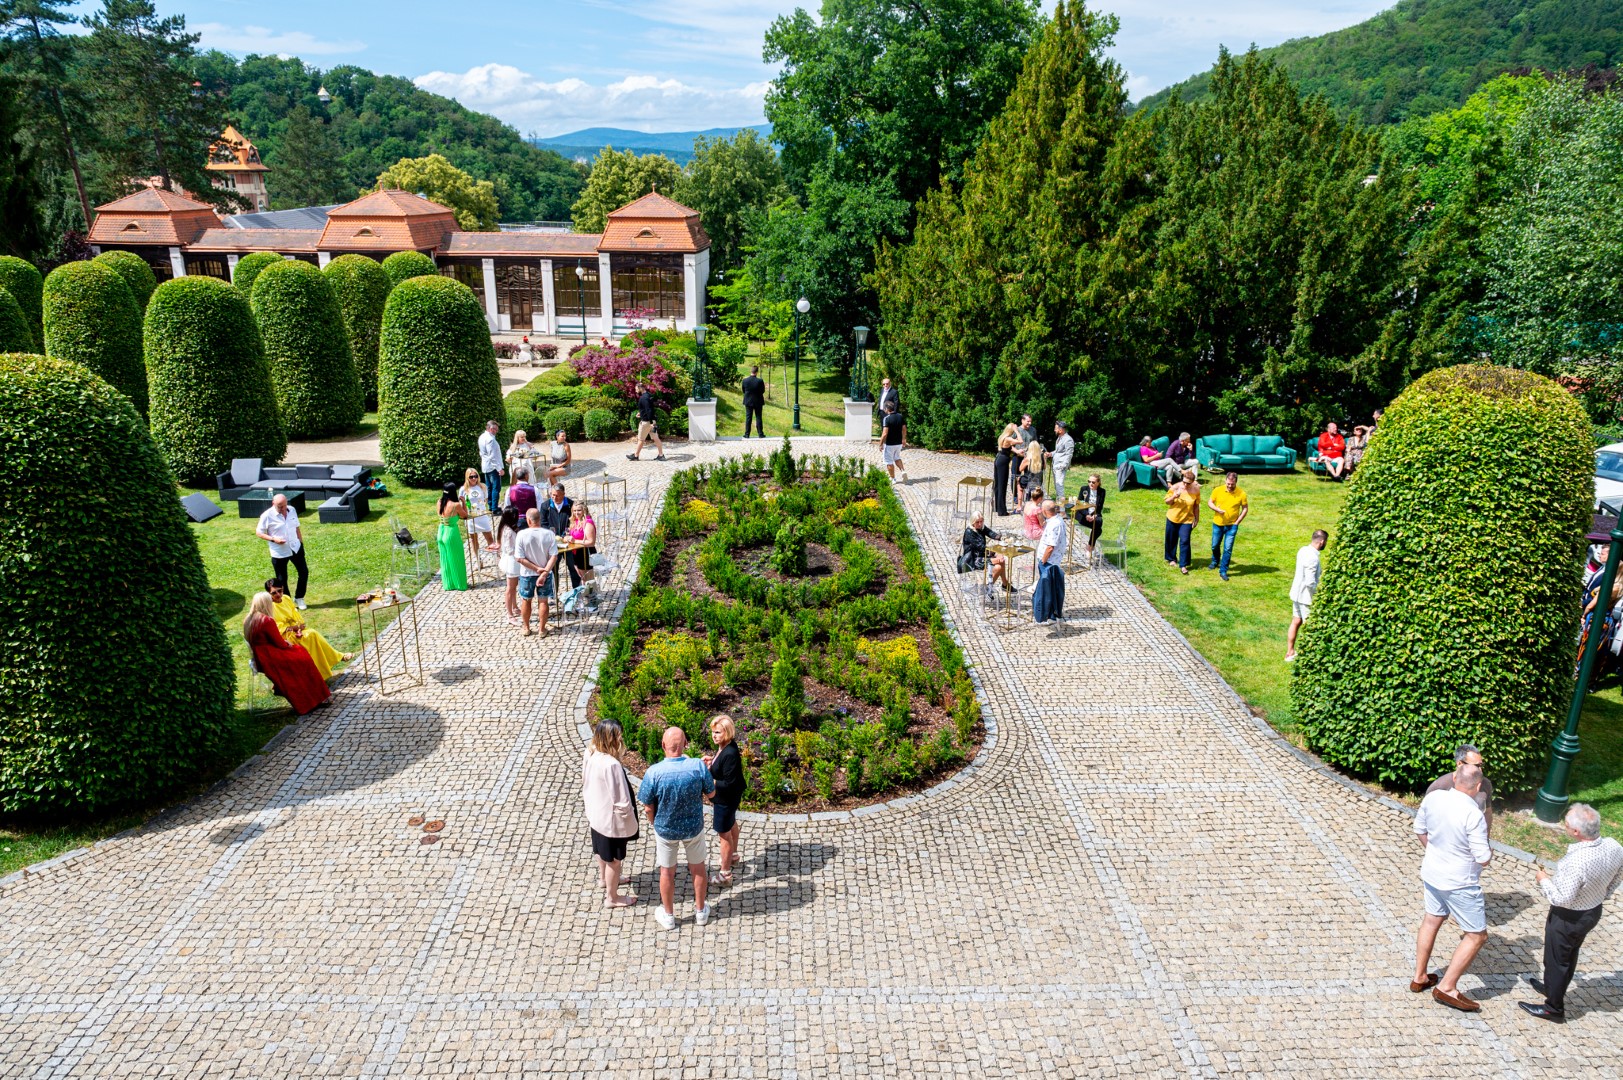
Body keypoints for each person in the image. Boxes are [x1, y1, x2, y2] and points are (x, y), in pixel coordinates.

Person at [1520, 803, 1623, 1022]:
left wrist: (1543, 880)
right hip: (1592, 912)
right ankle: (1552, 987)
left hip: (1568, 917)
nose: (1564, 825)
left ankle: (1553, 1008)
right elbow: (1619, 874)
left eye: (1566, 824)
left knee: (1557, 960)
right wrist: (1602, 895)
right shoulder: (1614, 846)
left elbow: (1561, 899)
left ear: (1576, 832)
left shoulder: (1578, 862)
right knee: (1568, 955)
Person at [1412, 763, 1492, 1012]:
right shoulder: (1473, 814)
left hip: (1433, 872)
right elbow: (1483, 858)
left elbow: (1420, 830)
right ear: (1478, 786)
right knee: (1477, 935)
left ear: (1455, 778)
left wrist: (1437, 852)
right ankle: (1447, 987)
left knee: (1432, 920)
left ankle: (1420, 976)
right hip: (1460, 882)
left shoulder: (1434, 797)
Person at [639, 726, 715, 930]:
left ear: (663, 745)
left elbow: (647, 805)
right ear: (685, 745)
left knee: (667, 872)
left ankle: (669, 916)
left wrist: (654, 822)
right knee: (698, 868)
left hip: (666, 829)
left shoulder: (654, 772)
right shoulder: (697, 766)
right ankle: (700, 912)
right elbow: (712, 794)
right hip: (693, 827)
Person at [582, 720, 640, 908]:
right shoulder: (611, 765)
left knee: (601, 852)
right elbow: (621, 799)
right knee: (615, 861)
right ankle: (612, 898)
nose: (622, 739)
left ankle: (604, 880)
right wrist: (629, 818)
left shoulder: (590, 751)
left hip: (596, 814)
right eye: (619, 736)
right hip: (611, 821)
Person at [242, 591, 329, 715]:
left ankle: (311, 696)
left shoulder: (248, 619)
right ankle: (313, 698)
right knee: (303, 657)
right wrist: (287, 643)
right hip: (271, 657)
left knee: (300, 656)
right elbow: (280, 643)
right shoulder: (266, 620)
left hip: (260, 656)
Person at [265, 579, 349, 680]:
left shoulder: (286, 598)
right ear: (269, 594)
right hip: (285, 636)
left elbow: (295, 614)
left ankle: (326, 666)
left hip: (296, 630)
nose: (278, 594)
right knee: (312, 635)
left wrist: (299, 626)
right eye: (274, 593)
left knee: (312, 636)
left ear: (283, 588)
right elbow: (277, 628)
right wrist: (294, 628)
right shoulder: (270, 607)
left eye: (280, 591)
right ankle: (335, 658)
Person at [704, 714, 745, 885]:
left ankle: (725, 874)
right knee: (731, 823)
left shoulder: (730, 753)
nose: (714, 735)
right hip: (731, 798)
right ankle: (734, 856)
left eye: (718, 732)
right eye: (713, 732)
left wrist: (707, 778)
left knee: (724, 834)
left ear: (727, 732)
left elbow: (728, 783)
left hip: (726, 799)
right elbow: (721, 768)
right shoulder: (724, 746)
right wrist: (711, 763)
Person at [1426, 744, 1495, 837]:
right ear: (1460, 764)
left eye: (1481, 765)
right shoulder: (1441, 785)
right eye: (1476, 766)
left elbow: (1487, 813)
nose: (1480, 770)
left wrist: (1486, 839)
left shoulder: (1485, 784)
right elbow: (1426, 818)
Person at [255, 493, 308, 609]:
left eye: (284, 505)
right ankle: (287, 602)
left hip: (295, 547)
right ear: (273, 504)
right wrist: (274, 539)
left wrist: (301, 542)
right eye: (280, 506)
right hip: (279, 552)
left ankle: (299, 597)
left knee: (304, 572)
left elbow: (297, 527)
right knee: (282, 579)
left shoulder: (292, 510)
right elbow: (259, 532)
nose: (283, 508)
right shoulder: (267, 515)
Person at [513, 507, 558, 637]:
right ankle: (542, 629)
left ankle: (526, 627)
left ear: (528, 520)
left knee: (526, 600)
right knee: (543, 601)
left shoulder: (521, 534)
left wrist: (536, 569)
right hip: (545, 573)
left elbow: (519, 558)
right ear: (540, 519)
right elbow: (553, 556)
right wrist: (543, 572)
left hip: (527, 574)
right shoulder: (549, 534)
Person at [1285, 529, 1327, 661]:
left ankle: (1290, 652)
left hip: (1296, 593)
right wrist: (1318, 594)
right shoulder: (1313, 558)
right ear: (1322, 542)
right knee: (1309, 626)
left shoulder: (1303, 550)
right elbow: (1310, 582)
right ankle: (1308, 655)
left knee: (1296, 621)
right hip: (1306, 598)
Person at [1206, 472, 1249, 581]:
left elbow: (1245, 508)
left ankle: (1223, 570)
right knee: (1214, 545)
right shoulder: (1218, 490)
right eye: (1228, 484)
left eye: (1232, 484)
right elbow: (1210, 502)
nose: (1230, 486)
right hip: (1218, 524)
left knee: (1228, 548)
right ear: (1226, 481)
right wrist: (1216, 509)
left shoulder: (1241, 494)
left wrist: (1237, 522)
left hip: (1231, 526)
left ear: (1236, 482)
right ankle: (1215, 561)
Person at [1033, 500, 1067, 624]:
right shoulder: (1056, 520)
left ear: (1045, 511)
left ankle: (1049, 615)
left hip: (1049, 562)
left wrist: (1043, 561)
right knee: (1051, 587)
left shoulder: (1054, 525)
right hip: (1051, 561)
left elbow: (1050, 547)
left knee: (1048, 589)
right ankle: (1052, 614)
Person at [1162, 469, 1200, 574]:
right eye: (1184, 482)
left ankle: (1183, 564)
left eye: (1188, 483)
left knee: (1185, 540)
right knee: (1171, 539)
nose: (1185, 484)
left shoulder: (1196, 490)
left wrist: (1197, 518)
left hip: (1187, 519)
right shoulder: (1175, 487)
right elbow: (1167, 502)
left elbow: (1196, 506)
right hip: (1173, 517)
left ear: (1192, 482)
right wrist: (1174, 496)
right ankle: (1171, 558)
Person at [960, 512, 1009, 590]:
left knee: (1001, 561)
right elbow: (981, 547)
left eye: (981, 521)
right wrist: (994, 552)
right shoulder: (969, 532)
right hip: (974, 559)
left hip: (983, 555)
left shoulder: (981, 527)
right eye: (977, 522)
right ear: (973, 522)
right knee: (1000, 562)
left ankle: (1003, 585)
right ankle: (991, 587)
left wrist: (1000, 538)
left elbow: (990, 533)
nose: (980, 524)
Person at [567, 500, 600, 613]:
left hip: (586, 553)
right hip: (576, 553)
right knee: (582, 579)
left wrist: (574, 540)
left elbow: (591, 541)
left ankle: (593, 602)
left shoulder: (588, 522)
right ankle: (585, 601)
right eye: (575, 510)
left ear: (584, 510)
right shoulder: (575, 522)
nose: (577, 512)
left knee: (589, 579)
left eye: (579, 510)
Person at [539, 484, 575, 587]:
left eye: (557, 495)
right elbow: (543, 523)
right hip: (552, 543)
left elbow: (573, 522)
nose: (554, 497)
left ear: (563, 494)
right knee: (553, 569)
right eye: (552, 495)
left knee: (573, 568)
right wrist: (552, 536)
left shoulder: (571, 505)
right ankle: (553, 596)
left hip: (568, 543)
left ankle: (576, 591)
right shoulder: (545, 506)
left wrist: (566, 534)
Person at [437, 482, 469, 592]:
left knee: (445, 560)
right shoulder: (456, 505)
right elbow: (465, 515)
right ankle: (460, 584)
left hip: (441, 531)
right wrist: (463, 502)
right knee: (457, 558)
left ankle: (448, 584)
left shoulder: (439, 502)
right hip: (451, 533)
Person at [496, 505, 523, 626]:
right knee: (510, 588)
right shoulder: (507, 531)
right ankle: (509, 614)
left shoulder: (507, 527)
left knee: (513, 586)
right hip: (512, 561)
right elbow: (509, 549)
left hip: (513, 561)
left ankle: (515, 607)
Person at [459, 468, 497, 553]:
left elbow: (486, 499)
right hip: (471, 517)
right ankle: (478, 561)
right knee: (474, 540)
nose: (474, 478)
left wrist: (481, 506)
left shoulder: (482, 486)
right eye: (471, 476)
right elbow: (461, 503)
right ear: (467, 477)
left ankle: (496, 556)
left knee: (490, 537)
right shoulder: (463, 489)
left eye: (475, 476)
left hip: (482, 515)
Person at [627, 382, 666, 461]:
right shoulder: (648, 395)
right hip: (650, 421)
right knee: (656, 438)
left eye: (636, 388)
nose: (635, 390)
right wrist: (641, 414)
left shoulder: (643, 398)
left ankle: (636, 455)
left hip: (646, 423)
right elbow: (648, 408)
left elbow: (649, 410)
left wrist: (651, 422)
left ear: (640, 388)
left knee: (641, 439)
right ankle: (661, 455)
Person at [1074, 474, 1106, 564]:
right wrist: (1087, 515)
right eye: (1089, 481)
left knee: (1098, 522)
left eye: (1093, 482)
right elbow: (1079, 504)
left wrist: (1094, 515)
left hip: (1094, 515)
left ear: (1098, 483)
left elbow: (1100, 507)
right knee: (1098, 529)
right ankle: (1090, 547)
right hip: (1082, 514)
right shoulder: (1084, 489)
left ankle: (1089, 547)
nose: (1090, 484)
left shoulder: (1102, 491)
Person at [993, 423, 1019, 516]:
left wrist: (1017, 451)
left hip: (999, 458)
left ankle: (997, 507)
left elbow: (1009, 447)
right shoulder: (1008, 438)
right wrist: (1016, 431)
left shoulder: (1003, 437)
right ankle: (1002, 511)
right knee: (1002, 485)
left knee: (998, 484)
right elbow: (1020, 441)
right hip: (1003, 461)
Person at [478, 419, 503, 511]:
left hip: (485, 465)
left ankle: (491, 505)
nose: (496, 431)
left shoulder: (482, 436)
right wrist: (499, 468)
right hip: (492, 467)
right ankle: (494, 508)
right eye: (494, 429)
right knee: (496, 488)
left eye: (496, 429)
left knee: (489, 487)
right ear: (490, 428)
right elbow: (492, 456)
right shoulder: (490, 439)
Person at [880, 399, 907, 483]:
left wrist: (880, 444)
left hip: (889, 444)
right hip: (898, 443)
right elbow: (904, 429)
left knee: (889, 461)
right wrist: (903, 439)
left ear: (886, 409)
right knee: (897, 458)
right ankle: (903, 471)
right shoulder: (900, 416)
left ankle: (893, 478)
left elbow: (884, 433)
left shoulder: (886, 419)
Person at [1047, 420, 1074, 498]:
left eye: (1056, 428)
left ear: (1061, 429)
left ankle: (1062, 508)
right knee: (1057, 485)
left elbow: (1069, 454)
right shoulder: (1059, 438)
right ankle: (1059, 504)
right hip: (1055, 465)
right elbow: (1058, 451)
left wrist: (1063, 465)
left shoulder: (1068, 439)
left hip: (1061, 467)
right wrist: (1050, 454)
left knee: (1059, 486)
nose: (1054, 430)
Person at [741, 365, 766, 437]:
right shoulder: (760, 381)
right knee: (758, 417)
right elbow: (762, 391)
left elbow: (743, 390)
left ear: (751, 371)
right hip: (758, 401)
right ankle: (760, 433)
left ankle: (747, 434)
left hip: (748, 401)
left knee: (748, 417)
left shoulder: (745, 380)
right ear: (757, 372)